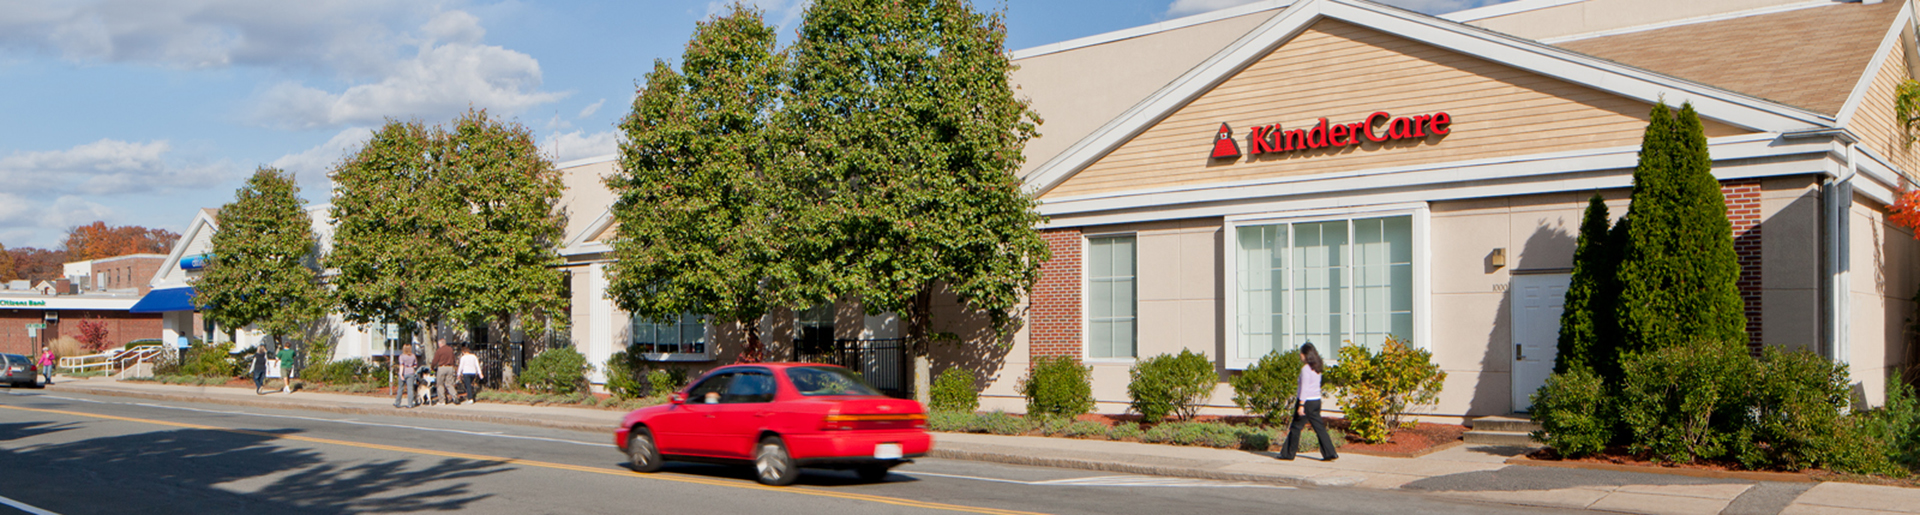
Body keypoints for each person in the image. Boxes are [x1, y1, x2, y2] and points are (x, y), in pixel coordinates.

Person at [1279, 342, 1338, 462]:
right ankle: (1330, 453)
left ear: (1306, 355)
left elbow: (1304, 388)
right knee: (1319, 427)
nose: (1300, 356)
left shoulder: (1305, 369)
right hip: (1316, 401)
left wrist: (1301, 405)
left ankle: (1288, 454)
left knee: (1296, 427)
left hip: (1307, 402)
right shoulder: (1318, 367)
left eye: (1301, 353)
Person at [432, 337, 457, 406]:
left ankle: (442, 400)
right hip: (450, 367)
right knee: (449, 383)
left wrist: (432, 367)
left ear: (441, 344)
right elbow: (453, 358)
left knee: (440, 384)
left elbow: (435, 360)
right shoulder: (450, 349)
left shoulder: (439, 351)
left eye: (439, 344)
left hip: (442, 367)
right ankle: (454, 396)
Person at [394, 344, 419, 408]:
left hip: (404, 372)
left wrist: (401, 374)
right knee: (410, 389)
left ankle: (397, 402)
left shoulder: (402, 356)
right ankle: (410, 404)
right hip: (411, 372)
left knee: (400, 388)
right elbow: (415, 365)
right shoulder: (413, 356)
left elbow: (401, 365)